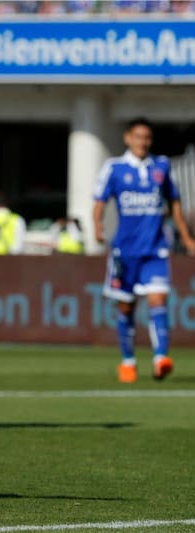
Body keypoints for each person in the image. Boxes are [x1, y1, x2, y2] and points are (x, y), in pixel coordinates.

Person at [93, 117, 195, 383]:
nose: (143, 142)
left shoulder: (161, 167)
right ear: (128, 138)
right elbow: (99, 200)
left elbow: (174, 203)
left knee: (158, 300)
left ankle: (161, 357)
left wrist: (186, 238)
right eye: (138, 137)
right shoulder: (114, 168)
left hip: (155, 249)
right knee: (125, 307)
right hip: (124, 252)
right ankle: (128, 361)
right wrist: (97, 225)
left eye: (147, 137)